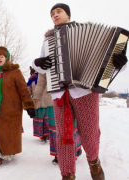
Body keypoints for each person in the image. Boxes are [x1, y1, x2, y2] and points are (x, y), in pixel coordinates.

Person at [32, 3, 128, 180]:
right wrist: (37, 63)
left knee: (89, 133)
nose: (55, 15)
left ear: (68, 14)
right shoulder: (48, 40)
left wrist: (120, 63)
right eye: (52, 13)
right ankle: (67, 174)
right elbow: (41, 65)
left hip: (85, 92)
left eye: (59, 11)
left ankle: (93, 161)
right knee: (63, 137)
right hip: (60, 94)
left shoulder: (89, 31)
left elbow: (109, 61)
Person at [0, 46, 35, 165]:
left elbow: (23, 89)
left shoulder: (15, 71)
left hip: (11, 108)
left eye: (2, 57)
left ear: (7, 58)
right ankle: (1, 150)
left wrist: (29, 105)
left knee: (7, 131)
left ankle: (4, 154)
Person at [31, 69, 82, 165]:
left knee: (71, 127)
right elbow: (41, 83)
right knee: (55, 130)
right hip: (52, 101)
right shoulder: (45, 62)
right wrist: (36, 99)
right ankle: (57, 154)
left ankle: (76, 149)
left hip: (72, 98)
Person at [27, 66, 49, 142]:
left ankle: (46, 135)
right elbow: (28, 90)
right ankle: (41, 135)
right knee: (39, 120)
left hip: (46, 102)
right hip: (36, 103)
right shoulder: (31, 79)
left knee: (46, 120)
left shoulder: (45, 76)